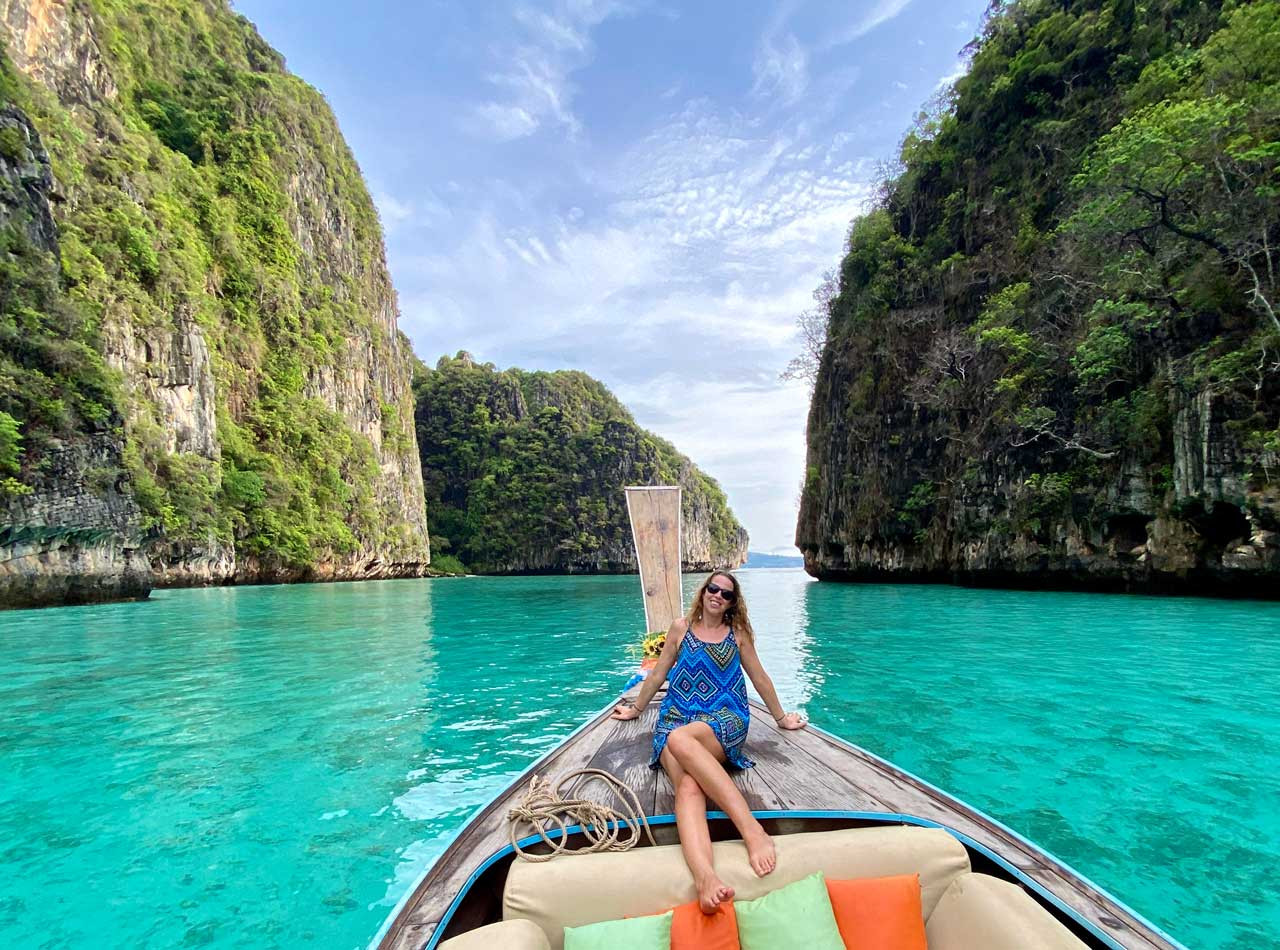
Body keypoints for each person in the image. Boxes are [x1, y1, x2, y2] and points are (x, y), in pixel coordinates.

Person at [611, 570, 806, 914]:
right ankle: (705, 879)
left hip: (725, 718)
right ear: (703, 592)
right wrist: (636, 708)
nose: (717, 595)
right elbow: (659, 672)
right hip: (677, 716)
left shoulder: (738, 634)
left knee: (679, 740)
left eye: (726, 593)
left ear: (733, 602)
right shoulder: (680, 628)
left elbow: (758, 676)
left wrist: (780, 718)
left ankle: (752, 831)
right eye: (713, 588)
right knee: (688, 786)